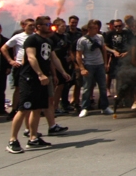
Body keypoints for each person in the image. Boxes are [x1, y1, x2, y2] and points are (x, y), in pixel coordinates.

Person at [7, 16, 70, 154]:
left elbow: (53, 58)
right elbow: (31, 57)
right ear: (39, 26)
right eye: (47, 24)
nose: (50, 26)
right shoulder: (32, 39)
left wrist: (63, 72)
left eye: (50, 24)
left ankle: (33, 138)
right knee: (24, 109)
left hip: (44, 79)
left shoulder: (48, 41)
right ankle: (12, 140)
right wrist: (40, 74)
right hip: (30, 78)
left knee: (37, 109)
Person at [76, 19, 114, 116]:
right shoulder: (82, 40)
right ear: (89, 28)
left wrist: (105, 63)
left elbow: (104, 50)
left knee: (103, 86)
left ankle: (104, 106)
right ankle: (84, 107)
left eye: (97, 28)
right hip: (89, 65)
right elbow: (78, 55)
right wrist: (82, 68)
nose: (96, 30)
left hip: (100, 64)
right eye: (94, 28)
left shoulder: (100, 37)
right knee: (87, 87)